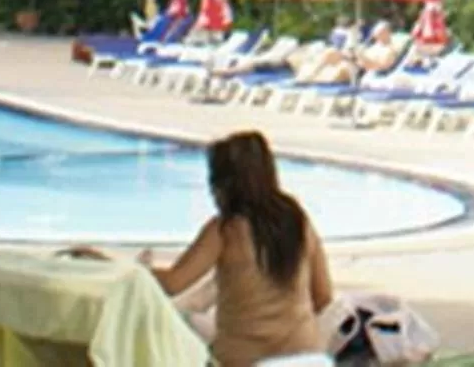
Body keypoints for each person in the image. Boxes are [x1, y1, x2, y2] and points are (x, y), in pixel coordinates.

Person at [142, 130, 334, 367]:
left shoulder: (225, 230)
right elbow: (323, 296)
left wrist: (132, 269)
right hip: (306, 358)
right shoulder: (298, 221)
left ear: (223, 183)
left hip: (245, 360)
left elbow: (173, 283)